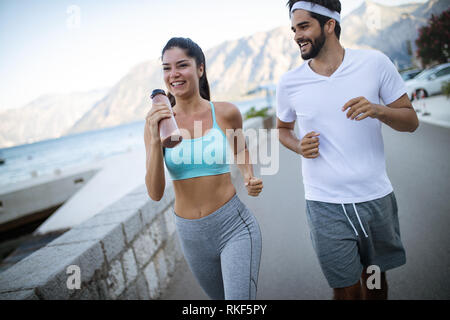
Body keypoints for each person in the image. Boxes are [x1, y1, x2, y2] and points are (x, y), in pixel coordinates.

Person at [277, 0, 419, 300]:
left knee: (375, 282)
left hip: (376, 198)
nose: (296, 36)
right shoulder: (290, 82)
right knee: (345, 289)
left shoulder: (375, 63)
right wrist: (299, 146)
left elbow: (411, 121)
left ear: (329, 25)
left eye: (304, 26)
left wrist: (378, 110)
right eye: (294, 28)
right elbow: (282, 129)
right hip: (324, 204)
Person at [144, 37, 263, 300]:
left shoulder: (225, 113)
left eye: (182, 65)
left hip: (234, 226)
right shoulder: (158, 124)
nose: (173, 74)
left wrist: (248, 176)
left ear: (200, 69)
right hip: (191, 237)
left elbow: (240, 148)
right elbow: (154, 192)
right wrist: (154, 139)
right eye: (166, 68)